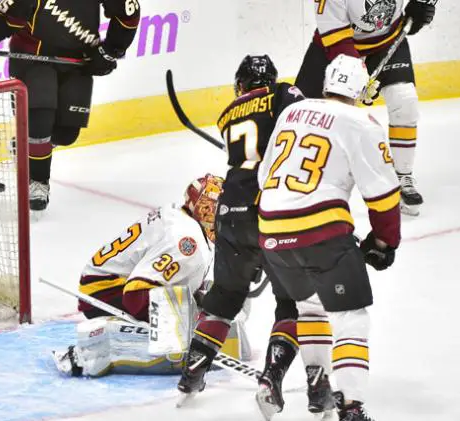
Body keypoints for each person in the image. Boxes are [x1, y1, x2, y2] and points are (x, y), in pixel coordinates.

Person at [256, 54, 401, 421]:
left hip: (270, 230)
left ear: (325, 84)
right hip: (320, 231)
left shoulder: (293, 112)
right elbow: (383, 195)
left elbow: (263, 177)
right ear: (360, 91)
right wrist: (385, 242)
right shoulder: (361, 122)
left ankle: (318, 386)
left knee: (310, 307)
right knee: (351, 317)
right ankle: (351, 407)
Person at [176, 55, 305, 404]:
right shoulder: (282, 94)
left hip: (230, 211)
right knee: (291, 303)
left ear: (240, 85)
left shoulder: (227, 113)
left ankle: (192, 373)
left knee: (224, 299)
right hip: (270, 212)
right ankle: (271, 379)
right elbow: (306, 128)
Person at [52, 174, 251, 377]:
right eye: (222, 211)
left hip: (102, 281)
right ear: (205, 210)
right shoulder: (188, 243)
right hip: (104, 294)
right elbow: (134, 296)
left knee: (216, 296)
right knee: (193, 319)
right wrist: (187, 322)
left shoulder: (179, 215)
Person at [0, 0, 141, 211]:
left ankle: (30, 145)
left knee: (66, 134)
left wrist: (110, 50)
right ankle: (38, 181)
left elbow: (128, 12)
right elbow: (4, 18)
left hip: (77, 62)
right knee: (40, 118)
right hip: (33, 57)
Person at [295, 0, 437, 216]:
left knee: (404, 100)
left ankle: (403, 176)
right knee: (301, 112)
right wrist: (356, 77)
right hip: (335, 46)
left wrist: (418, 9)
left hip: (388, 42)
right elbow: (336, 38)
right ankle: (291, 177)